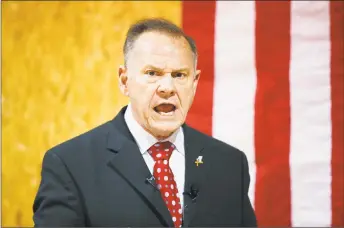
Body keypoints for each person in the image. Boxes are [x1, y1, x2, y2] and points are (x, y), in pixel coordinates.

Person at [33, 18, 257, 227]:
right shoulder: (70, 165)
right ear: (124, 81)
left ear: (195, 82)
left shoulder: (229, 164)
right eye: (152, 73)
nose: (167, 87)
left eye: (179, 75)